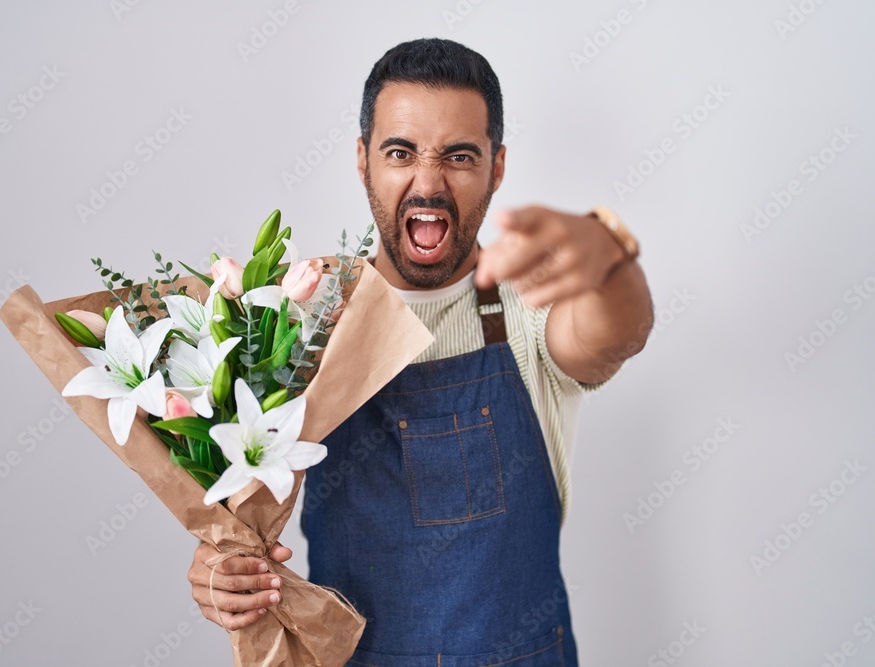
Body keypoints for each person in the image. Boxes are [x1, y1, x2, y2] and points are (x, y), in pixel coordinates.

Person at [187, 38, 653, 665]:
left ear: (497, 166)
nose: (428, 184)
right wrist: (226, 570)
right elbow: (243, 525)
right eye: (400, 152)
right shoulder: (298, 322)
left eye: (459, 156)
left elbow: (614, 335)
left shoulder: (531, 305)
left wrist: (609, 256)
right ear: (362, 160)